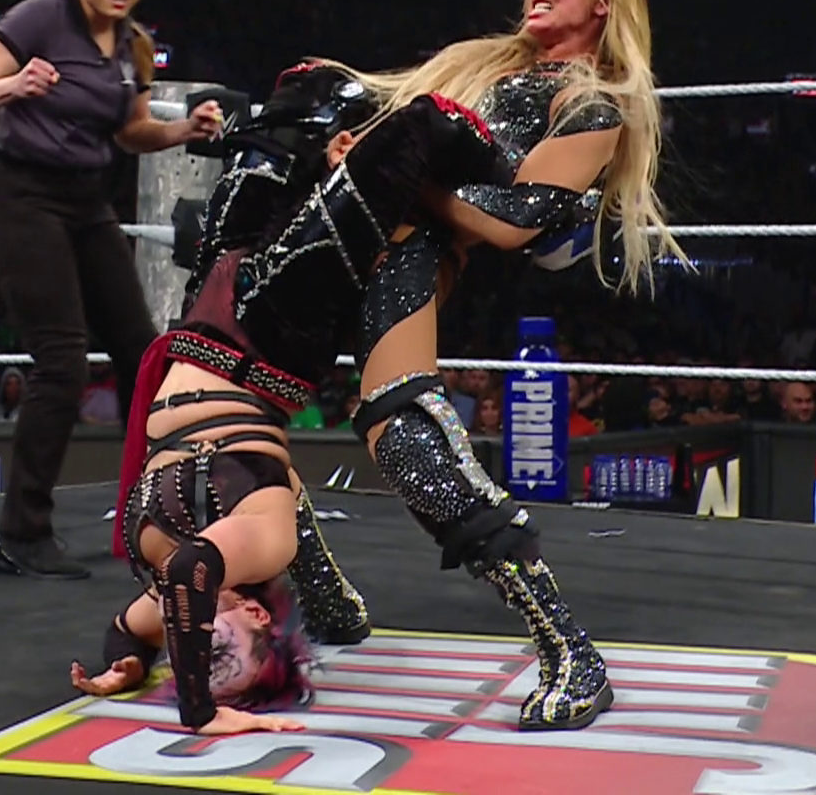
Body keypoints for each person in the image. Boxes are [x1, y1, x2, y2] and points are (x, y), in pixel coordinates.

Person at [80, 63, 506, 730]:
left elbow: (136, 621)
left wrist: (132, 665)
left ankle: (314, 108)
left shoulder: (177, 599)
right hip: (262, 339)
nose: (205, 651)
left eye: (202, 661)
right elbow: (190, 571)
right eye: (226, 656)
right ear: (257, 614)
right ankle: (518, 178)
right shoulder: (267, 541)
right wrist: (198, 704)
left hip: (224, 327)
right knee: (412, 136)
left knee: (282, 139)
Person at [337, 0, 680, 732]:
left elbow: (516, 219)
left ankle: (570, 650)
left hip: (408, 244)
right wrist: (350, 145)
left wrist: (403, 181)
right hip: (341, 224)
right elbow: (379, 115)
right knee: (225, 387)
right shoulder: (476, 61)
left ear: (604, 1)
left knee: (402, 437)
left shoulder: (593, 103)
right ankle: (318, 596)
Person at [0, 0, 223, 580]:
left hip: (86, 199)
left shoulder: (134, 43)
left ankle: (150, 512)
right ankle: (21, 533)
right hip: (21, 195)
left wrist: (182, 131)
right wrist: (14, 85)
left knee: (143, 352)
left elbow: (129, 132)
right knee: (62, 360)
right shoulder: (39, 18)